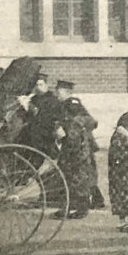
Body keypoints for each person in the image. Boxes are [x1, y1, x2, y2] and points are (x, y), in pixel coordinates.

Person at [52, 80, 97, 219]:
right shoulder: (62, 105)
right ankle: (68, 206)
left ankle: (82, 209)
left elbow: (90, 121)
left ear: (67, 92)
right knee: (66, 175)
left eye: (58, 91)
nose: (56, 93)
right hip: (69, 146)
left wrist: (68, 131)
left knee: (79, 177)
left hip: (79, 147)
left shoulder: (73, 104)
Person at [22, 73, 61, 160]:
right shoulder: (34, 99)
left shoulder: (52, 99)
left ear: (46, 85)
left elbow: (46, 117)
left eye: (41, 84)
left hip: (46, 132)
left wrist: (30, 108)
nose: (39, 87)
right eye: (37, 85)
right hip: (34, 131)